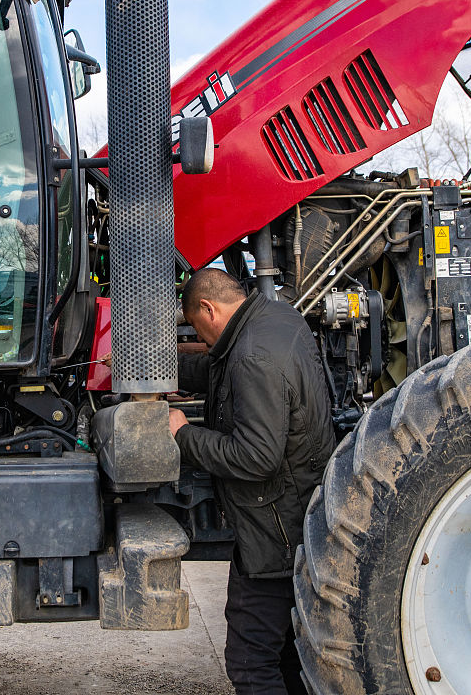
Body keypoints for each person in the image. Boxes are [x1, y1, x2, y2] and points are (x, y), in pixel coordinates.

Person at [168, 268, 335, 695]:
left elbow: (256, 457)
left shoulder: (251, 357)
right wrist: (166, 370)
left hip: (273, 529)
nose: (200, 337)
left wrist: (183, 434)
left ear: (208, 309)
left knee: (251, 661)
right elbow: (219, 368)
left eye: (196, 327)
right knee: (288, 655)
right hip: (300, 513)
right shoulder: (276, 320)